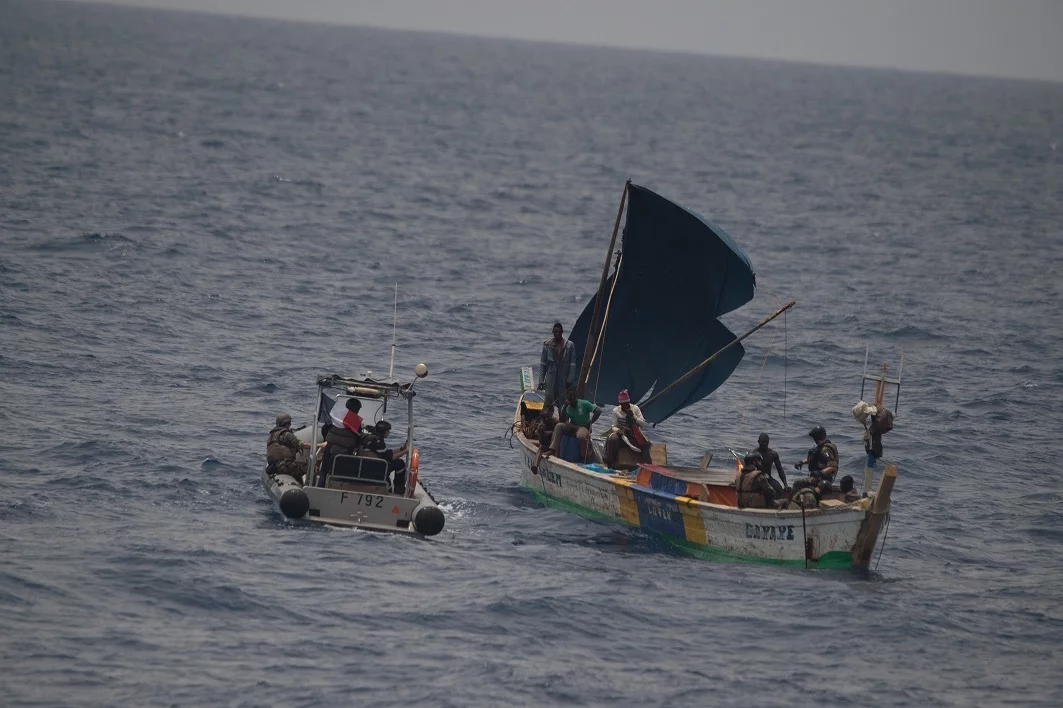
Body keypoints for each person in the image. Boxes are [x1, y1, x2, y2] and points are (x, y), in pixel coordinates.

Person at [546, 389, 601, 463]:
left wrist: (590, 423)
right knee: (559, 426)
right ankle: (552, 449)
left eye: (573, 397)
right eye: (570, 398)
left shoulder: (584, 403)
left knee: (581, 436)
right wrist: (565, 407)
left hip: (583, 426)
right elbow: (562, 420)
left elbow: (598, 411)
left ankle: (584, 456)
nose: (571, 400)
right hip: (572, 425)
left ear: (576, 397)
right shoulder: (566, 407)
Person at [604, 389, 652, 469]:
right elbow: (614, 426)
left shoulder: (635, 408)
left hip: (634, 434)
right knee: (612, 439)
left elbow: (643, 424)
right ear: (620, 404)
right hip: (622, 434)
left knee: (646, 445)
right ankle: (608, 463)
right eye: (622, 404)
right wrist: (618, 431)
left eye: (626, 403)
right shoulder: (616, 411)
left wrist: (634, 417)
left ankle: (647, 467)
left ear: (629, 402)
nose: (625, 406)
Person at [321, 398, 365, 480]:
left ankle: (320, 485)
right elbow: (358, 439)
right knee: (342, 473)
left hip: (330, 448)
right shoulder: (356, 423)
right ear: (357, 410)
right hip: (347, 452)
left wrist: (326, 440)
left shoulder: (336, 417)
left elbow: (324, 429)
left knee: (324, 471)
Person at [362, 420, 410, 494]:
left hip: (369, 465)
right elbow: (391, 458)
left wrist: (401, 449)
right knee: (400, 463)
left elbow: (386, 453)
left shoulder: (373, 438)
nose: (389, 432)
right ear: (383, 431)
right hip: (375, 468)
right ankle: (399, 489)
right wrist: (406, 451)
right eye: (388, 431)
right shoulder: (378, 441)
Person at [537, 322, 576, 408]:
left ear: (562, 332)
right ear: (552, 332)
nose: (557, 334)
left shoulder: (569, 345)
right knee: (548, 401)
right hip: (550, 379)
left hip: (563, 379)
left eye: (559, 332)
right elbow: (543, 365)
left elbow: (572, 365)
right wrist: (541, 380)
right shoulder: (547, 346)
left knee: (562, 402)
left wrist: (570, 380)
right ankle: (546, 415)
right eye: (555, 332)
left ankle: (562, 416)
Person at [793, 425, 840, 494]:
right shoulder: (820, 447)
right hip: (818, 477)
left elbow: (833, 466)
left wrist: (821, 472)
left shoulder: (825, 450)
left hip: (823, 478)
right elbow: (815, 459)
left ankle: (795, 499)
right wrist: (802, 462)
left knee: (797, 483)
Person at [266, 413, 310, 483]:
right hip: (286, 466)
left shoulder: (272, 436)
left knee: (297, 470)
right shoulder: (287, 434)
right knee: (310, 467)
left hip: (274, 467)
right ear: (287, 423)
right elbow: (302, 445)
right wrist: (320, 445)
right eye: (289, 423)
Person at [530, 403, 559, 474]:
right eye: (543, 417)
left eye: (547, 417)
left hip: (556, 445)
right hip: (546, 445)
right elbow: (541, 442)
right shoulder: (541, 426)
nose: (546, 419)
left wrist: (549, 433)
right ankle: (535, 465)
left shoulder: (555, 422)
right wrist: (541, 433)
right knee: (541, 448)